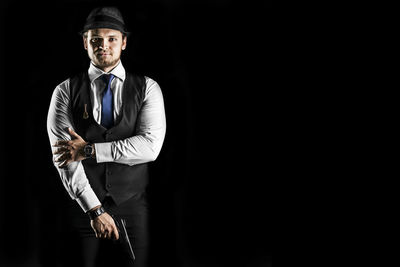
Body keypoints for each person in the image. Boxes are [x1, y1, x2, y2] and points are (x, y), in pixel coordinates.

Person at [46, 6, 166, 267]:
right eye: (96, 39)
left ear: (123, 42)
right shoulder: (65, 91)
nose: (104, 46)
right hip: (81, 206)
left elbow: (150, 147)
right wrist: (94, 209)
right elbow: (64, 157)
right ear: (85, 43)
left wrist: (89, 150)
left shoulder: (148, 88)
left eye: (112, 38)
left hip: (132, 205)